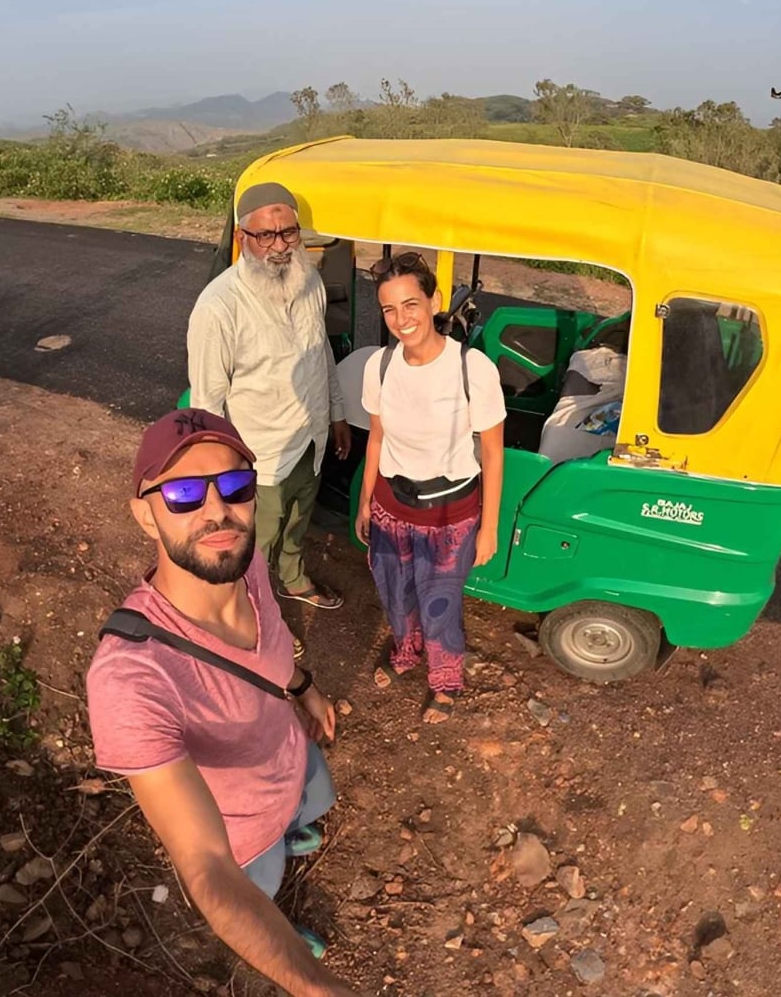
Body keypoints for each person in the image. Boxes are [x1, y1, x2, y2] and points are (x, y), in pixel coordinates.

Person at [85, 408, 357, 997]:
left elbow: (268, 657)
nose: (217, 512)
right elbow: (206, 866)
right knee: (260, 892)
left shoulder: (245, 561)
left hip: (291, 758)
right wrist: (316, 987)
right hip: (240, 835)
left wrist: (303, 687)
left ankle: (294, 829)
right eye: (183, 493)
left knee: (304, 812)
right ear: (144, 515)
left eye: (233, 486)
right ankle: (287, 937)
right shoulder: (131, 676)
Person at [187, 182, 352, 648]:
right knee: (253, 543)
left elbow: (322, 356)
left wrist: (336, 414)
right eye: (266, 236)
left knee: (300, 517)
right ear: (243, 238)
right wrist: (223, 470)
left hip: (311, 437)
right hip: (259, 451)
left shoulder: (310, 282)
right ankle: (255, 616)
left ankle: (294, 576)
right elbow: (206, 401)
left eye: (289, 234)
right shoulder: (219, 307)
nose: (279, 247)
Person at [355, 253, 507, 724]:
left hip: (449, 515)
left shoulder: (471, 368)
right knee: (395, 593)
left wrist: (489, 529)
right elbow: (376, 437)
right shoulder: (379, 367)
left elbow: (494, 453)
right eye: (389, 310)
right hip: (390, 506)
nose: (402, 320)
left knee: (439, 603)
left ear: (434, 300)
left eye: (411, 304)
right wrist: (365, 502)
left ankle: (446, 681)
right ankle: (406, 650)